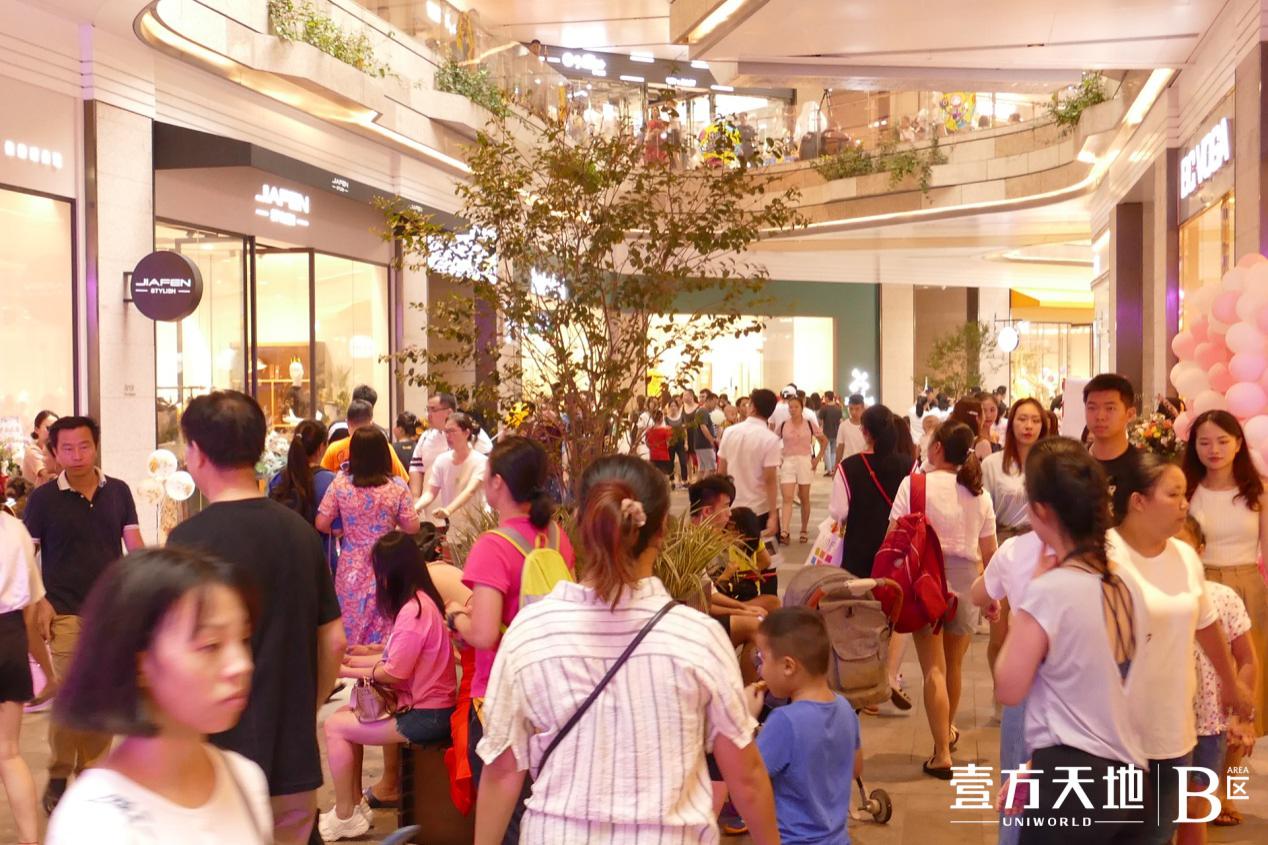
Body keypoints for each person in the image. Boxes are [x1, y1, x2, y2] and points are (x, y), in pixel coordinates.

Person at [473, 455, 779, 845]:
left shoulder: (530, 632)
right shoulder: (698, 638)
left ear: (580, 523)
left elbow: (502, 770)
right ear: (662, 530)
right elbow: (746, 777)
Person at [166, 391, 344, 845]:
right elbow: (334, 640)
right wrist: (306, 705)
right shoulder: (300, 533)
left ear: (197, 453)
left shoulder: (187, 540)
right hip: (293, 755)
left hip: (214, 756)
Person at [45, 547, 270, 844]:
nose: (241, 664)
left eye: (243, 639)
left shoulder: (245, 779)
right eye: (211, 645)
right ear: (140, 662)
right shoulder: (94, 822)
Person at [992, 438, 1149, 841]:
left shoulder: (1051, 590)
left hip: (1071, 780)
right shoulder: (1126, 582)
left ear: (1042, 510)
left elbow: (1008, 687)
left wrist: (1030, 594)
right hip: (1129, 776)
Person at [1108, 453, 1253, 845]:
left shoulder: (1185, 556)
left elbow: (1206, 624)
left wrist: (1231, 685)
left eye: (1185, 495)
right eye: (1173, 494)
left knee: (1157, 834)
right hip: (1114, 734)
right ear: (1138, 501)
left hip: (1173, 727)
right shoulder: (1104, 558)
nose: (1185, 504)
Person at [446, 435, 575, 838]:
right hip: (553, 692)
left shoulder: (493, 546)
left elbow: (484, 634)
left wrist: (456, 617)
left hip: (500, 695)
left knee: (507, 815)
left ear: (498, 483)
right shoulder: (558, 537)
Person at [22, 414, 143, 813]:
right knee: (72, 695)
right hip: (65, 610)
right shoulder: (43, 499)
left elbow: (134, 546)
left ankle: (92, 776)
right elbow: (27, 556)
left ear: (96, 446)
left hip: (111, 611)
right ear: (54, 453)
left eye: (84, 446)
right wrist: (38, 599)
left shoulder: (118, 491)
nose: (77, 455)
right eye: (68, 449)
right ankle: (60, 772)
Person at [319, 532, 458, 841]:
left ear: (391, 571)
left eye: (378, 571)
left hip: (426, 716)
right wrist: (355, 660)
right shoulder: (421, 603)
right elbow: (395, 657)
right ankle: (352, 806)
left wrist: (344, 668)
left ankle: (345, 814)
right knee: (344, 715)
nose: (376, 579)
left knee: (334, 726)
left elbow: (394, 671)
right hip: (427, 708)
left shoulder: (414, 611)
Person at [889, 421, 996, 778]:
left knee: (933, 668)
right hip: (966, 586)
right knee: (954, 666)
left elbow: (894, 535)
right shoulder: (979, 493)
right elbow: (990, 552)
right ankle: (947, 731)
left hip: (925, 584)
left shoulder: (914, 484)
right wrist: (992, 596)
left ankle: (941, 754)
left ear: (937, 449)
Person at [1182, 409, 1268, 742]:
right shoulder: (1185, 489)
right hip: (1197, 585)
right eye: (1204, 442)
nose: (1213, 450)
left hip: (1246, 586)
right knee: (1202, 678)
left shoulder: (1258, 491)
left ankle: (1235, 760)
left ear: (1238, 444)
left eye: (1222, 441)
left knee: (1247, 669)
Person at [745, 608, 862, 845]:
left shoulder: (784, 721)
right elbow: (855, 768)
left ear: (788, 666)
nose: (759, 669)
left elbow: (747, 779)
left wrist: (746, 719)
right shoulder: (845, 708)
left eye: (762, 658)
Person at [1174, 516, 1258, 839]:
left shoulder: (1223, 598)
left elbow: (1247, 659)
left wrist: (1241, 715)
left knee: (1196, 809)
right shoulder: (1146, 598)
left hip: (1209, 724)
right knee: (1157, 812)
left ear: (1200, 550)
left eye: (1183, 548)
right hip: (1162, 725)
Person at [828, 403, 916, 708]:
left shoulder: (849, 467)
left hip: (858, 550)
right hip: (896, 551)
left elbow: (838, 512)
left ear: (864, 432)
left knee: (859, 617)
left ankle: (864, 683)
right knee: (893, 614)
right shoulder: (909, 465)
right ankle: (889, 675)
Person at [980, 398, 1049, 727]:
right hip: (1004, 544)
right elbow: (982, 512)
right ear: (1011, 423)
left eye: (1035, 420)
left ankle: (1032, 693)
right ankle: (1001, 693)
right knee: (1000, 631)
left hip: (1044, 546)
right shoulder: (993, 464)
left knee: (1035, 625)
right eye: (1022, 419)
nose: (1028, 426)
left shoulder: (1050, 463)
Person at [317, 428, 420, 646]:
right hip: (388, 564)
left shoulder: (340, 484)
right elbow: (413, 526)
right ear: (384, 453)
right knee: (386, 624)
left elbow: (321, 522)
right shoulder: (396, 486)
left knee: (351, 624)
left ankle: (350, 666)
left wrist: (341, 529)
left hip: (351, 566)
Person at [0, 510, 53, 845]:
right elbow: (31, 607)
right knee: (8, 753)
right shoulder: (14, 528)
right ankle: (29, 841)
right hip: (9, 636)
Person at [268, 421, 337, 569]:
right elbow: (337, 527)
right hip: (319, 562)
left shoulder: (278, 479)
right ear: (321, 447)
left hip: (282, 562)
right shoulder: (330, 481)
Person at [719, 389, 783, 539]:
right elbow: (770, 480)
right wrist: (773, 515)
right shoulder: (770, 439)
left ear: (753, 408)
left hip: (732, 506)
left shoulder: (729, 432)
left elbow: (721, 472)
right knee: (762, 552)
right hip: (759, 509)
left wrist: (719, 507)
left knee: (733, 552)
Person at [413, 412, 489, 539]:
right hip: (453, 529)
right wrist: (416, 507)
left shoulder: (481, 461)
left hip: (477, 529)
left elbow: (470, 491)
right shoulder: (442, 460)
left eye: (452, 431)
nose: (448, 436)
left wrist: (448, 510)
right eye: (446, 432)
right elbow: (431, 492)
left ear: (466, 433)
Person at [409, 393, 493, 501]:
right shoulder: (426, 437)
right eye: (427, 410)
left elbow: (488, 470)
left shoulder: (475, 435)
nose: (428, 415)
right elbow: (416, 468)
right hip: (431, 503)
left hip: (468, 502)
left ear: (449, 412)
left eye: (433, 410)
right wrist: (415, 497)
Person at [1084, 373, 1141, 518]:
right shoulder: (1073, 463)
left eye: (1110, 408)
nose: (1100, 416)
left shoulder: (1144, 468)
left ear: (1130, 414)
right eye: (1092, 408)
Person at [776, 396, 827, 545]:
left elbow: (824, 441)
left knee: (804, 497)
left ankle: (804, 529)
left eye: (796, 407)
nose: (793, 410)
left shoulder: (809, 424)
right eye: (790, 407)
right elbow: (772, 440)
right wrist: (778, 458)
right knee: (787, 497)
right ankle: (785, 531)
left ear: (802, 408)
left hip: (805, 461)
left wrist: (817, 458)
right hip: (788, 461)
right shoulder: (784, 424)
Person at [321, 400, 409, 481]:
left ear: (347, 422)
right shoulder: (385, 448)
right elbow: (403, 480)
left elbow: (324, 480)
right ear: (371, 423)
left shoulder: (334, 449)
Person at [687, 389, 719, 476]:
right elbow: (703, 427)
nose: (715, 406)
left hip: (701, 444)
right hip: (705, 444)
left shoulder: (703, 411)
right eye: (714, 403)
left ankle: (699, 485)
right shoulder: (703, 411)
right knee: (711, 468)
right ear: (709, 401)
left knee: (702, 469)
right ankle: (706, 484)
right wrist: (711, 440)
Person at [20, 411, 57, 486]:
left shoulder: (56, 449)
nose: (53, 433)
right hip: (35, 493)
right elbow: (49, 475)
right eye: (48, 428)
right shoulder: (32, 451)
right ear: (37, 429)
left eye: (56, 429)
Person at [835, 393, 867, 467]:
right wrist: (836, 466)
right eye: (851, 409)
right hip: (847, 464)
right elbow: (840, 447)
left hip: (863, 464)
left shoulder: (868, 425)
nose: (853, 412)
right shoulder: (843, 426)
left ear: (863, 408)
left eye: (857, 409)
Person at [665, 398, 691, 489]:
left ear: (677, 407)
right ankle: (671, 481)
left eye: (674, 406)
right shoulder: (666, 419)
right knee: (670, 462)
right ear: (669, 408)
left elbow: (685, 430)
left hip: (681, 442)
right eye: (671, 406)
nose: (673, 408)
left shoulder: (681, 417)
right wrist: (666, 442)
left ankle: (684, 480)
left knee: (683, 461)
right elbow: (665, 432)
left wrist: (686, 443)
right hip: (671, 442)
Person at [818, 392, 843, 475]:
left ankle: (829, 470)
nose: (824, 398)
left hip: (826, 433)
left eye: (825, 397)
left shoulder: (824, 408)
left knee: (826, 451)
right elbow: (840, 421)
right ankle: (833, 468)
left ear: (828, 398)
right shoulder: (838, 408)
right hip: (836, 433)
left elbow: (820, 421)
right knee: (833, 452)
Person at [645, 410, 673, 477]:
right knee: (664, 475)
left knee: (655, 476)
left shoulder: (648, 431)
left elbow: (647, 444)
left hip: (653, 455)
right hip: (663, 456)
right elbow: (669, 444)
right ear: (661, 418)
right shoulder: (667, 430)